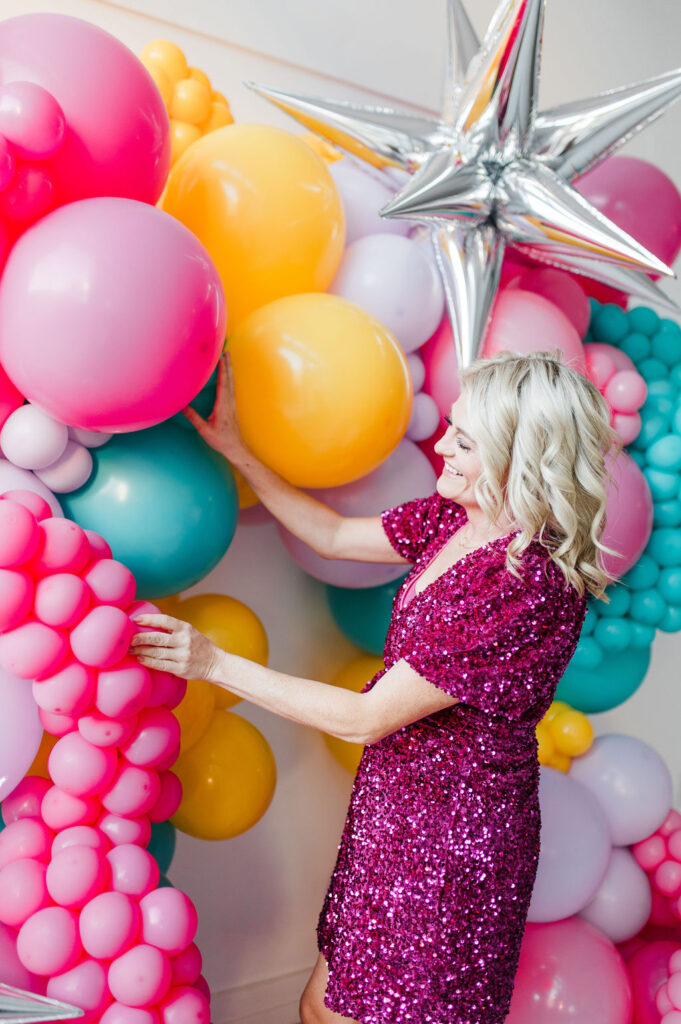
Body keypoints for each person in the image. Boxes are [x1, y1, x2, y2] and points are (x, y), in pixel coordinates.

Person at [129, 347, 624, 1024]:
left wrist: (212, 665)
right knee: (320, 1006)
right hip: (393, 821)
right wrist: (238, 452)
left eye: (466, 440)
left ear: (518, 455)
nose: (441, 444)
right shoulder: (456, 519)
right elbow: (329, 534)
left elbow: (365, 719)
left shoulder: (523, 585)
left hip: (450, 849)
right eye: (450, 424)